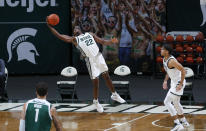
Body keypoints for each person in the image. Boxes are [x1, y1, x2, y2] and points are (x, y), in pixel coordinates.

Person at [46, 18, 126, 113]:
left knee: (107, 77)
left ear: (80, 29)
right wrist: (50, 26)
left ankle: (114, 94)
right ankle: (96, 102)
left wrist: (111, 41)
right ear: (74, 32)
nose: (76, 29)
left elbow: (102, 41)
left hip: (99, 56)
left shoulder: (90, 34)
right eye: (74, 29)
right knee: (96, 82)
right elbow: (59, 36)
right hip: (90, 60)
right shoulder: (74, 39)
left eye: (77, 28)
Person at [161, 44, 190, 131]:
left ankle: (177, 123)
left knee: (167, 102)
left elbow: (183, 70)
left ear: (167, 51)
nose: (161, 50)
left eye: (162, 49)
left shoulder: (172, 61)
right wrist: (165, 81)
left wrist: (180, 84)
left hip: (178, 82)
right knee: (176, 103)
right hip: (173, 82)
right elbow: (168, 72)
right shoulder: (164, 59)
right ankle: (183, 121)